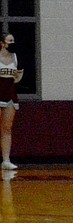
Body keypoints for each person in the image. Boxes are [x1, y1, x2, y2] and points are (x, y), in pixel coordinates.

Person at [0, 32, 23, 170]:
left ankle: (6, 161)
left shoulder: (15, 58)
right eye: (10, 41)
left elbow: (18, 78)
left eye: (13, 40)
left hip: (10, 95)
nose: (13, 43)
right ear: (2, 43)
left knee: (7, 128)